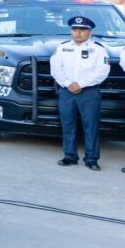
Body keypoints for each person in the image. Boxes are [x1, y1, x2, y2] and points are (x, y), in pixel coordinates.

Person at [51, 16, 109, 171]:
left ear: (90, 32)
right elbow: (56, 69)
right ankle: (70, 156)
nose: (78, 33)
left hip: (89, 92)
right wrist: (68, 84)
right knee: (68, 125)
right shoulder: (61, 48)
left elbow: (102, 71)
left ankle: (91, 159)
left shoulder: (98, 49)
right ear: (71, 31)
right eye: (75, 29)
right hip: (67, 91)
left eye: (83, 30)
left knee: (91, 126)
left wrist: (80, 84)